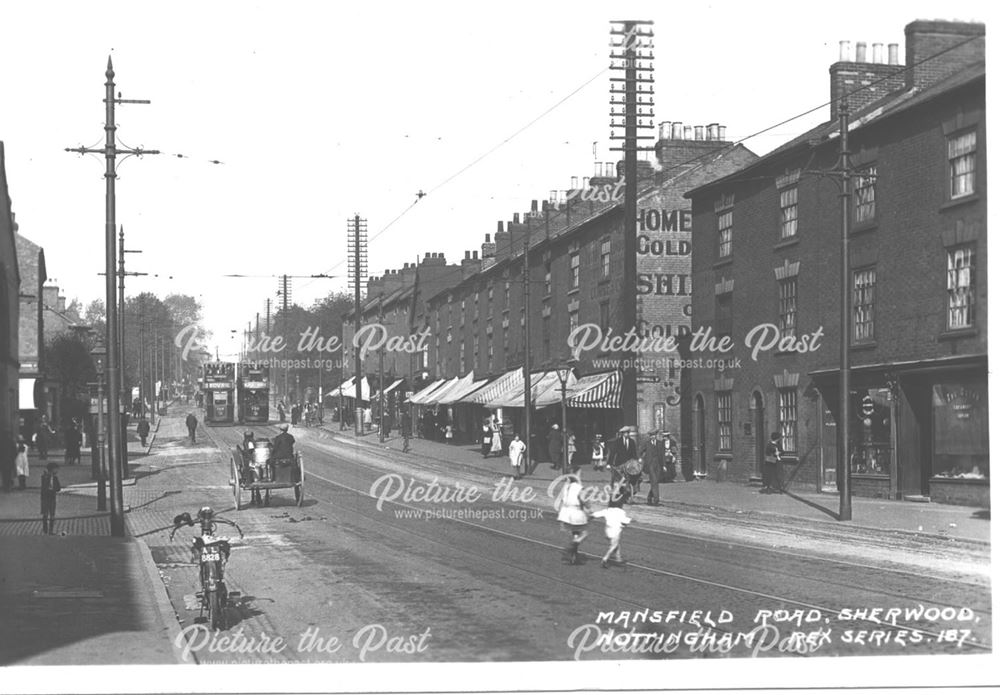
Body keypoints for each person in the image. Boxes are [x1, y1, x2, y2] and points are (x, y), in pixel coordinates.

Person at [556, 466, 589, 564]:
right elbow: (583, 500)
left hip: (565, 513)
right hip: (575, 512)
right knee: (584, 534)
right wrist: (589, 509)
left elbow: (562, 500)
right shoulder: (579, 488)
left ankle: (572, 557)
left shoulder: (566, 487)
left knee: (575, 534)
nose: (581, 475)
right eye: (579, 474)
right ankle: (570, 547)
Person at [592, 491, 633, 568]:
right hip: (615, 531)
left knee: (616, 544)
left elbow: (595, 514)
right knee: (613, 545)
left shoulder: (607, 510)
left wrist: (589, 517)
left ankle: (618, 558)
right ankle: (605, 558)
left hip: (607, 531)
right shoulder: (621, 512)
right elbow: (625, 521)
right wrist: (630, 520)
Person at [641, 430, 666, 506]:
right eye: (651, 435)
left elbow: (663, 455)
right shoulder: (647, 443)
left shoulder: (660, 443)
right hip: (650, 464)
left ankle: (649, 497)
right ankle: (656, 499)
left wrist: (664, 465)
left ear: (656, 435)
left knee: (656, 481)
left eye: (654, 435)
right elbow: (640, 451)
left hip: (658, 464)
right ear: (650, 436)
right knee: (654, 481)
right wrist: (640, 458)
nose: (653, 436)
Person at [40, 461, 61, 535]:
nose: (57, 471)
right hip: (45, 498)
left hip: (52, 498)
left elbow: (58, 488)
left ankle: (51, 530)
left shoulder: (55, 478)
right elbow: (44, 487)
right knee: (45, 514)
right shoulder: (44, 477)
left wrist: (54, 488)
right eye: (56, 469)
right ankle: (45, 529)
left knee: (52, 514)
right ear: (52, 469)